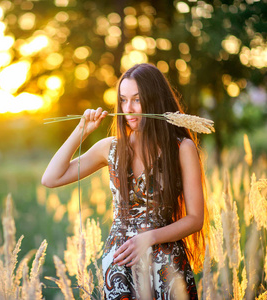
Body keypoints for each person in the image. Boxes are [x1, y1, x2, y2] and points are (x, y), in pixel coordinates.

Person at [42, 63, 208, 299]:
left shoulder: (181, 147)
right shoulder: (111, 148)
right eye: (123, 100)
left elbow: (195, 219)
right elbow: (51, 178)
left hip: (166, 264)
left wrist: (149, 237)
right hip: (120, 266)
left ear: (155, 101)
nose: (128, 109)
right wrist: (82, 130)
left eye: (137, 100)